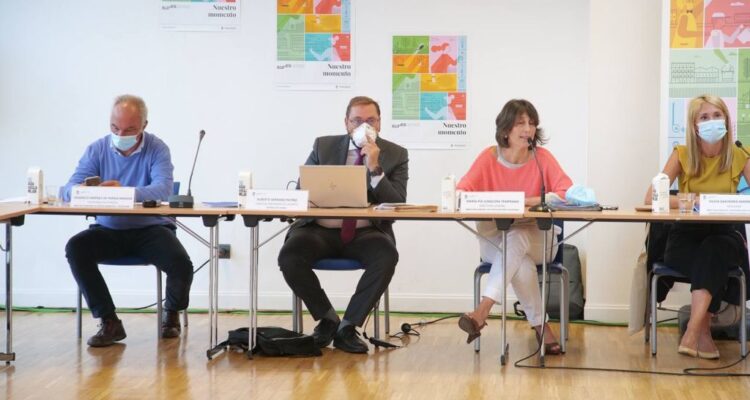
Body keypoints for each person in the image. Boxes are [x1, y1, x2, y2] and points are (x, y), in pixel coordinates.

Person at [277, 96, 409, 354]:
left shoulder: (396, 154)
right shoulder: (323, 146)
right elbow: (302, 190)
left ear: (379, 124)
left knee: (387, 255)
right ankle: (327, 319)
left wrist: (375, 168)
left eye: (370, 120)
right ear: (346, 123)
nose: (363, 126)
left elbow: (397, 203)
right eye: (357, 121)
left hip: (366, 232)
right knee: (290, 255)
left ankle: (348, 327)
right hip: (319, 230)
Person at [63, 95, 194, 347]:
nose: (121, 134)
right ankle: (109, 321)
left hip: (151, 229)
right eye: (115, 128)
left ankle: (171, 314)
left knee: (181, 264)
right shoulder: (97, 149)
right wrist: (86, 191)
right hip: (108, 229)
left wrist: (122, 193)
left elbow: (163, 189)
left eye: (129, 130)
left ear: (144, 125)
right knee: (76, 248)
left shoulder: (157, 149)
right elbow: (68, 189)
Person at [456, 99, 572, 355]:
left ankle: (482, 310)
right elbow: (461, 192)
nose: (528, 129)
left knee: (518, 235)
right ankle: (542, 327)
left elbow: (567, 194)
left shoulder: (542, 159)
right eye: (520, 123)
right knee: (520, 263)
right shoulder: (488, 158)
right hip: (495, 241)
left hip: (541, 240)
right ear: (506, 128)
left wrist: (525, 202)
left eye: (532, 123)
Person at [644, 94, 750, 359]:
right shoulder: (681, 154)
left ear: (726, 119)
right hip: (685, 239)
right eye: (704, 117)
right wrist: (695, 200)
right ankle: (702, 332)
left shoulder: (740, 155)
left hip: (725, 236)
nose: (711, 121)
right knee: (710, 257)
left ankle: (692, 330)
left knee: (714, 249)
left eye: (717, 115)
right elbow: (650, 198)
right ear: (694, 125)